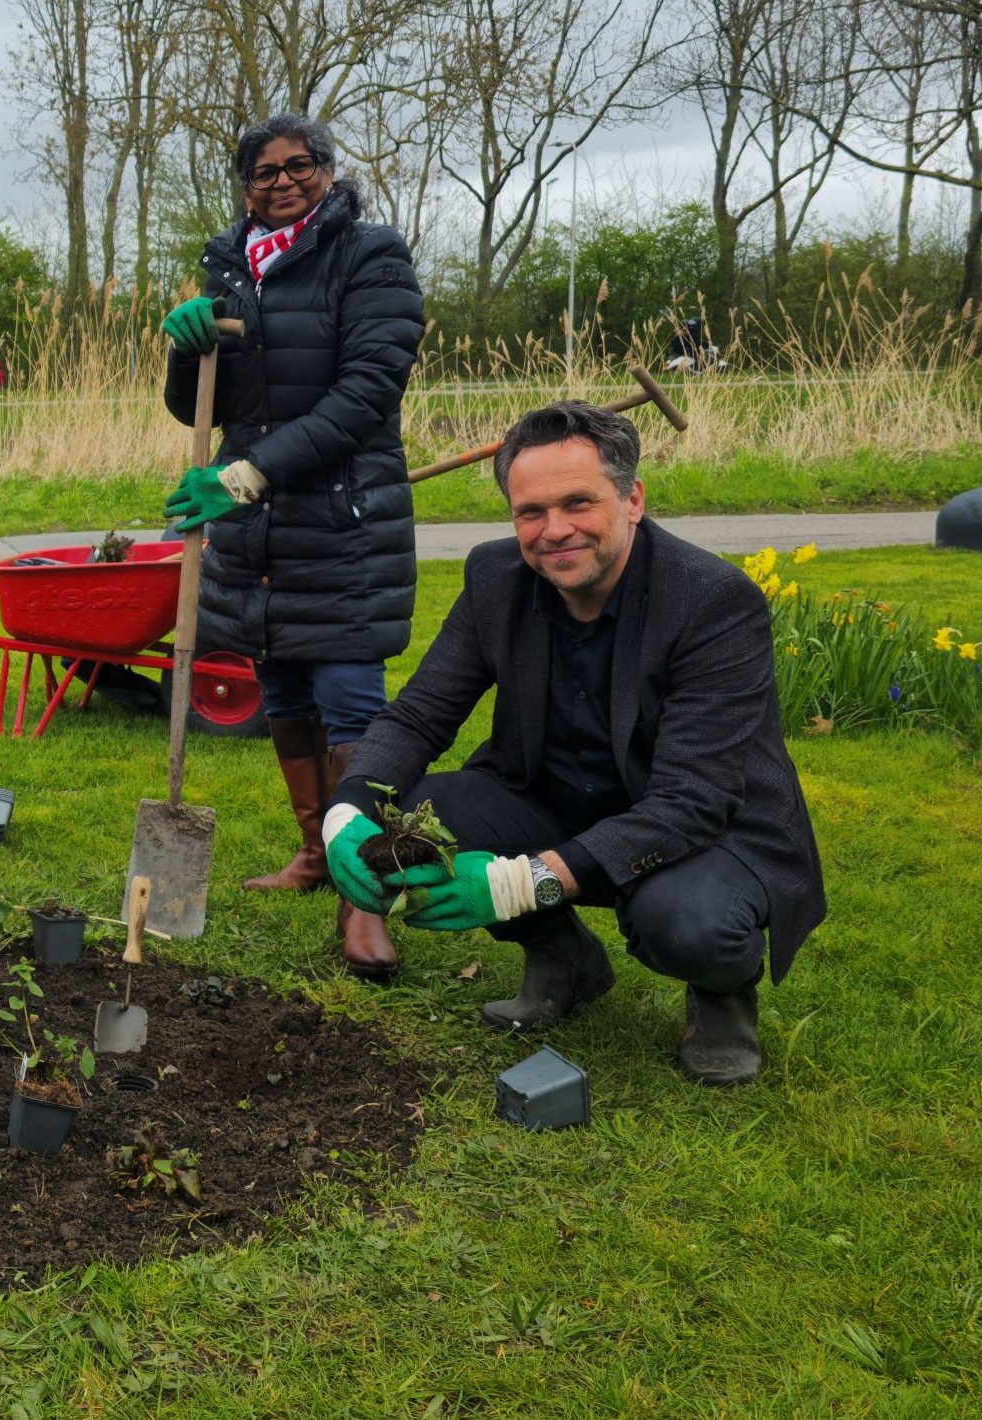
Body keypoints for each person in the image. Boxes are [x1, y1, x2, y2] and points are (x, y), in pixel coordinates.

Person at [319, 402, 826, 1086]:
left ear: (632, 499)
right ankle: (566, 961)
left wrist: (513, 883)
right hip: (556, 801)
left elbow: (692, 800)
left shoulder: (712, 601)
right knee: (429, 817)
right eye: (531, 512)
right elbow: (417, 717)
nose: (554, 531)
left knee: (686, 921)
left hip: (704, 832)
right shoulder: (495, 580)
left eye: (578, 503)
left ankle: (721, 995)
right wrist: (347, 812)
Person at [157, 113, 426, 982]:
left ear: (327, 170)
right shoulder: (230, 264)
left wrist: (246, 477)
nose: (281, 181)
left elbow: (365, 394)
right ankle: (315, 852)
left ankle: (362, 898)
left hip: (341, 520)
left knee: (349, 703)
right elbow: (205, 402)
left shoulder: (371, 255)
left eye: (298, 166)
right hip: (259, 529)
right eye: (263, 172)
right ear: (245, 186)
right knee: (282, 688)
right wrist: (184, 346)